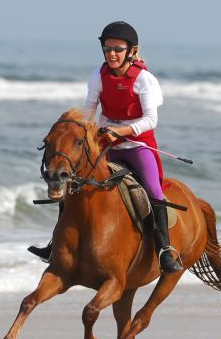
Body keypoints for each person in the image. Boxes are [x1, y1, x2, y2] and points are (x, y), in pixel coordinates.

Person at [28, 21, 182, 273]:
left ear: (131, 51)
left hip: (137, 144)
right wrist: (82, 130)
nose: (111, 53)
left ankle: (164, 249)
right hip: (103, 141)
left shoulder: (144, 79)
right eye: (107, 48)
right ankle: (55, 243)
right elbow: (90, 110)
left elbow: (151, 120)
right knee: (74, 181)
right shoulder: (98, 75)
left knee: (153, 190)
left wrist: (119, 131)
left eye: (117, 49)